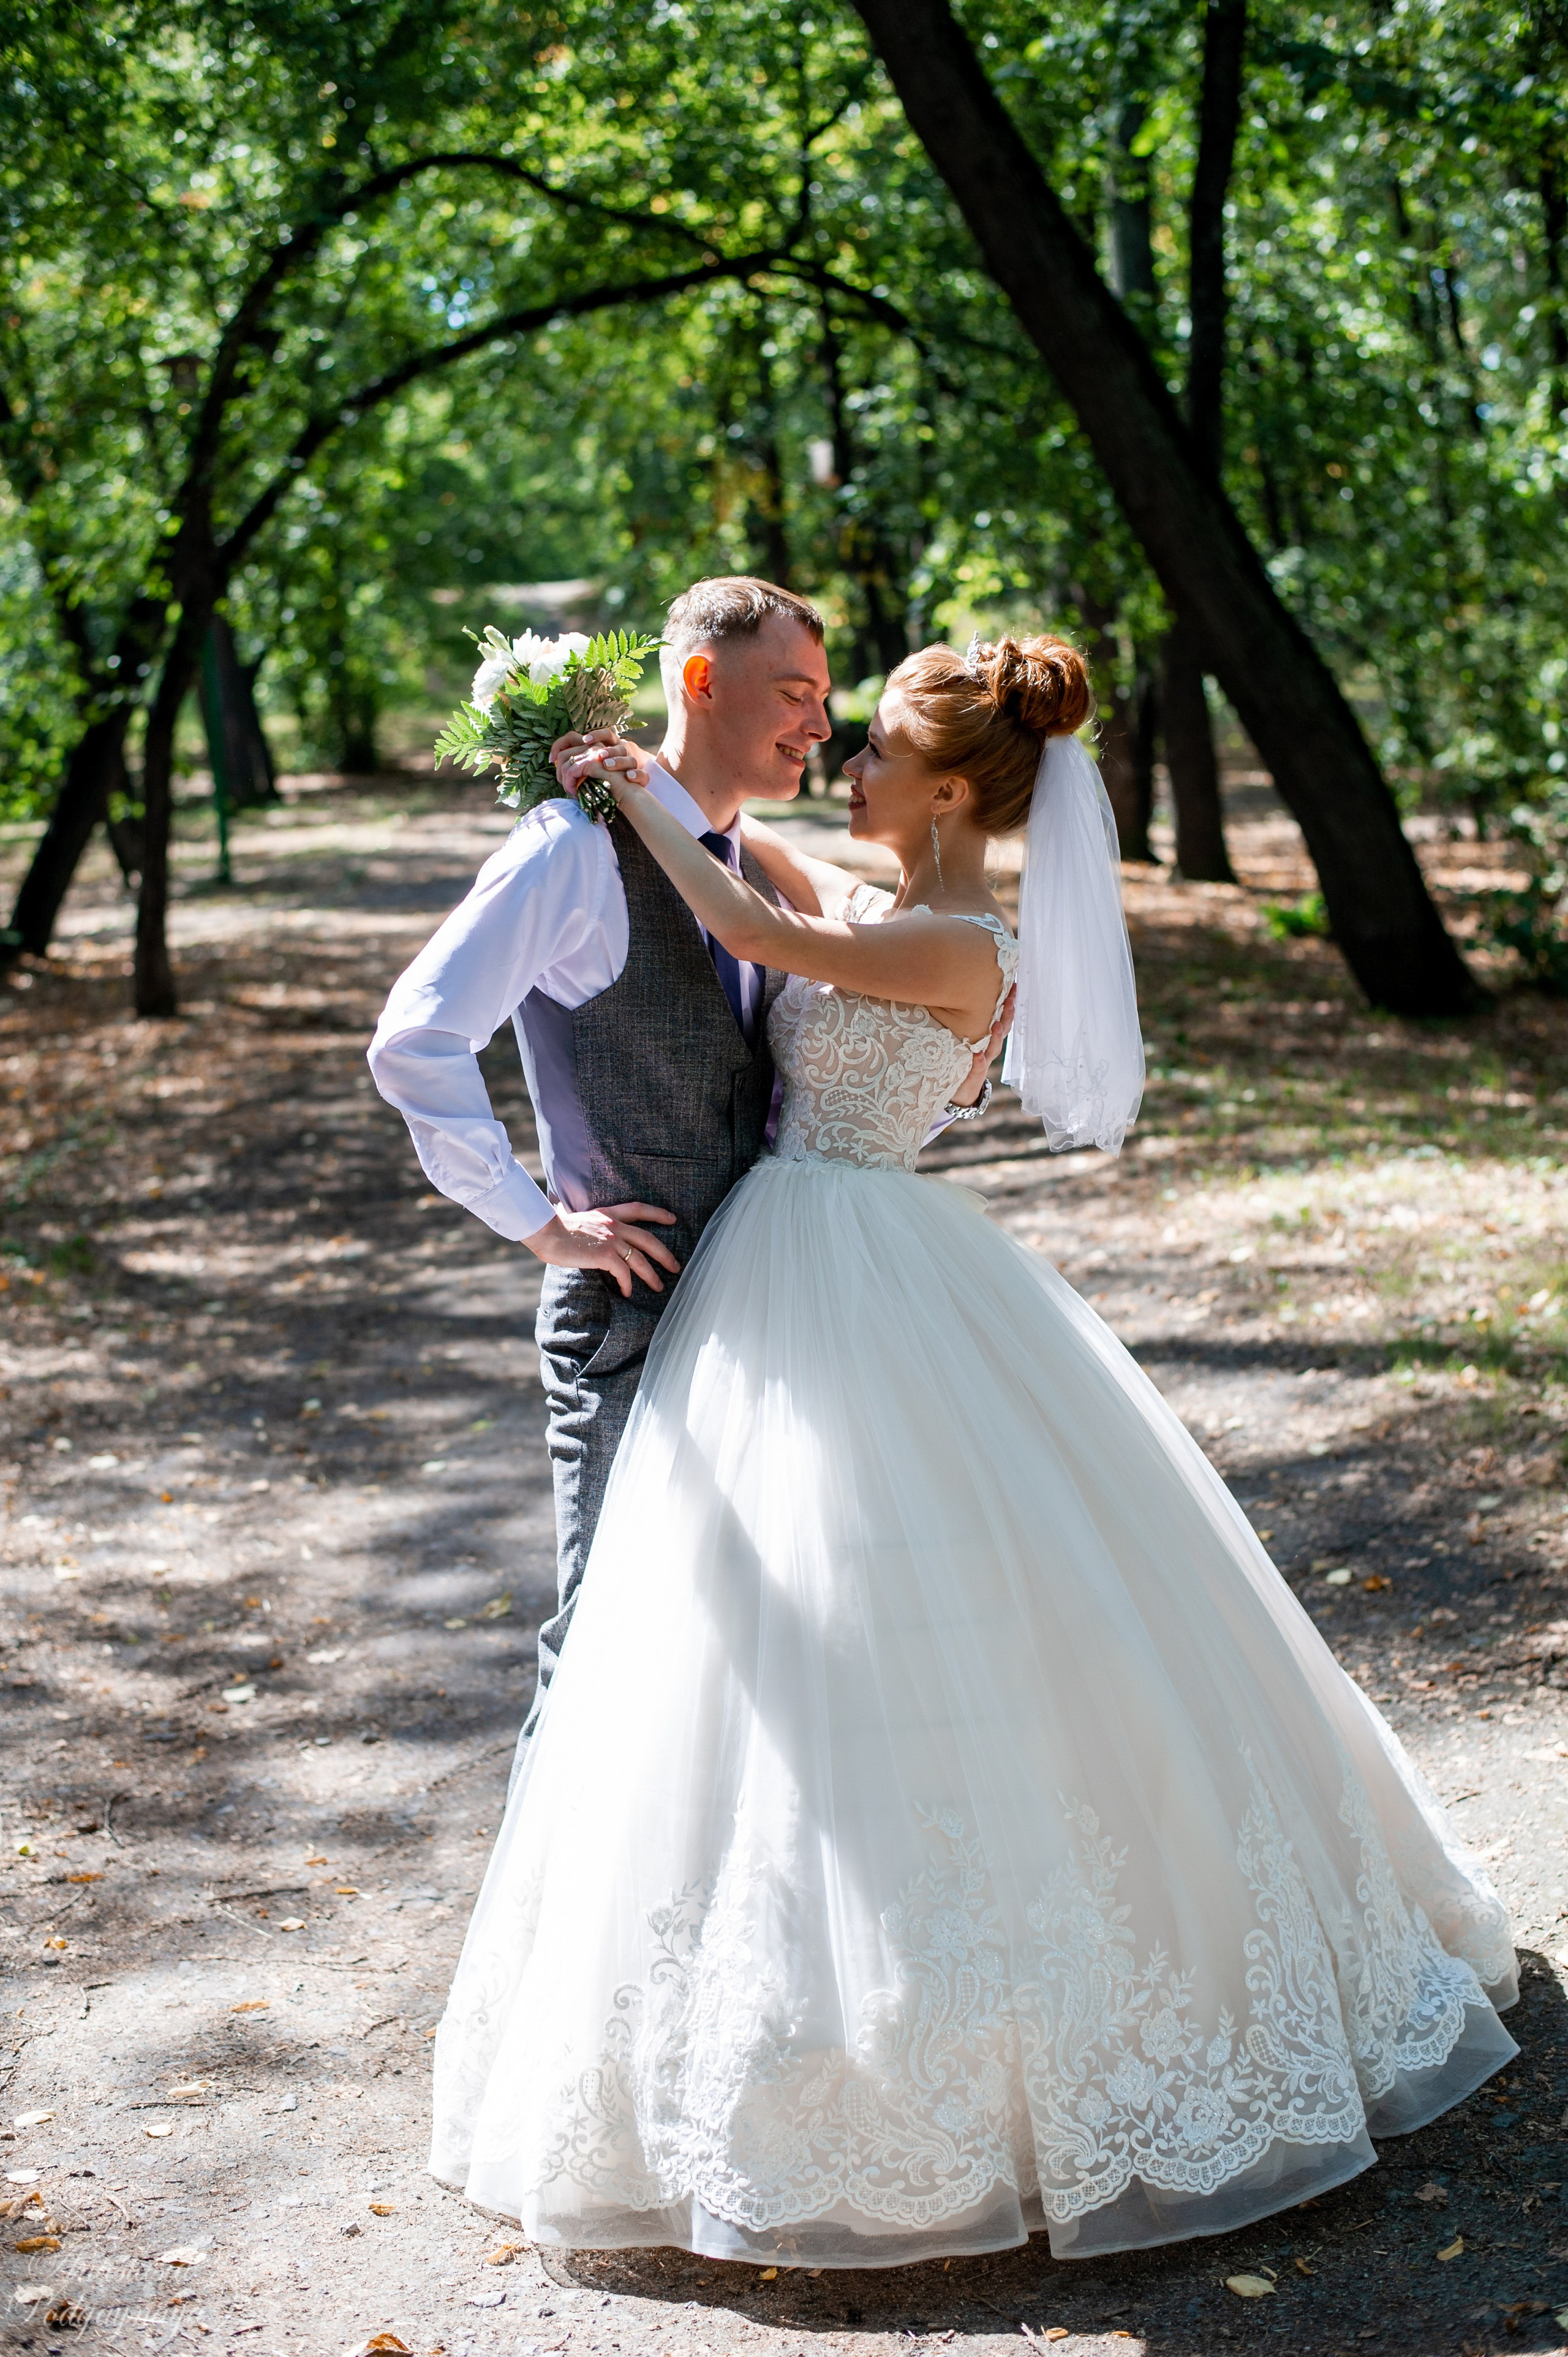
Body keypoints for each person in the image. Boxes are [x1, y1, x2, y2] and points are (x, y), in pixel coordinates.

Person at [429, 631, 1516, 2269]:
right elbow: (766, 872)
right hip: (794, 1260)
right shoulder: (895, 908)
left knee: (908, 1613)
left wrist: (634, 782)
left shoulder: (956, 943)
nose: (845, 761)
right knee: (779, 1631)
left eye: (872, 745)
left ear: (947, 795)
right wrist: (657, 778)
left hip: (843, 1261)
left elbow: (749, 925)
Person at [368, 577, 1003, 1744]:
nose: (821, 726)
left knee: (764, 1667)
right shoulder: (571, 848)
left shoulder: (751, 869)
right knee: (602, 1646)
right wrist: (536, 1222)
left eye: (826, 700)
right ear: (701, 682)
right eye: (796, 694)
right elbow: (417, 1037)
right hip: (634, 1316)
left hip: (782, 1321)